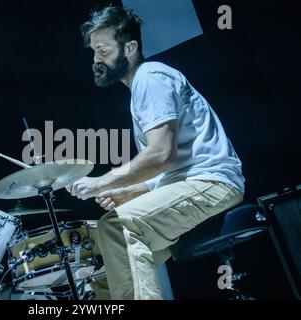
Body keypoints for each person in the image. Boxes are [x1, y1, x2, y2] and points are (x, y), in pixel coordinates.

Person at [66, 6, 245, 300]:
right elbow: (170, 167)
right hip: (190, 184)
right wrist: (135, 190)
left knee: (117, 228)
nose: (96, 59)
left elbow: (161, 155)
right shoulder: (142, 87)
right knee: (104, 279)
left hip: (213, 184)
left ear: (131, 47)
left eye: (102, 49)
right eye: (93, 51)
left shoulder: (150, 77)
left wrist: (101, 183)